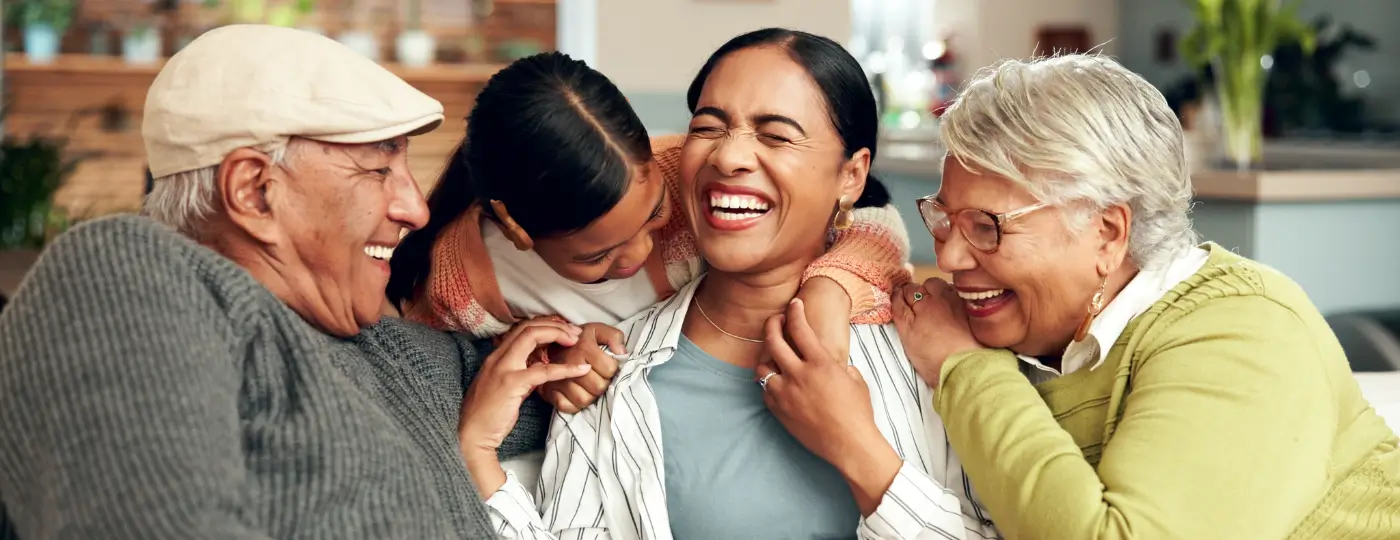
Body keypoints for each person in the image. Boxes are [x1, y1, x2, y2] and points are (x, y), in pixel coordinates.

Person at [0, 25, 582, 539]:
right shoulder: (126, 276)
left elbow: (565, 389)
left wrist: (578, 357)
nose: (415, 209)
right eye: (379, 169)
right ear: (254, 191)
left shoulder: (389, 350)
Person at [457, 28, 1002, 540]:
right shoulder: (609, 373)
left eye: (776, 135)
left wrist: (858, 450)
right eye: (708, 127)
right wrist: (478, 456)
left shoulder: (934, 348)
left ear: (851, 176)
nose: (730, 156)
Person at [892, 54, 1400, 539]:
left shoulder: (1244, 331)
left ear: (1107, 233)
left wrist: (966, 369)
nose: (952, 257)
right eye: (942, 218)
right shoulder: (1033, 331)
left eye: (986, 226)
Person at [385, 51, 912, 414]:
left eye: (654, 213)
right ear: (517, 228)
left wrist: (832, 286)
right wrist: (549, 361)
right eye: (598, 255)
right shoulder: (461, 285)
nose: (638, 252)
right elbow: (463, 374)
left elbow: (869, 212)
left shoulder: (691, 172)